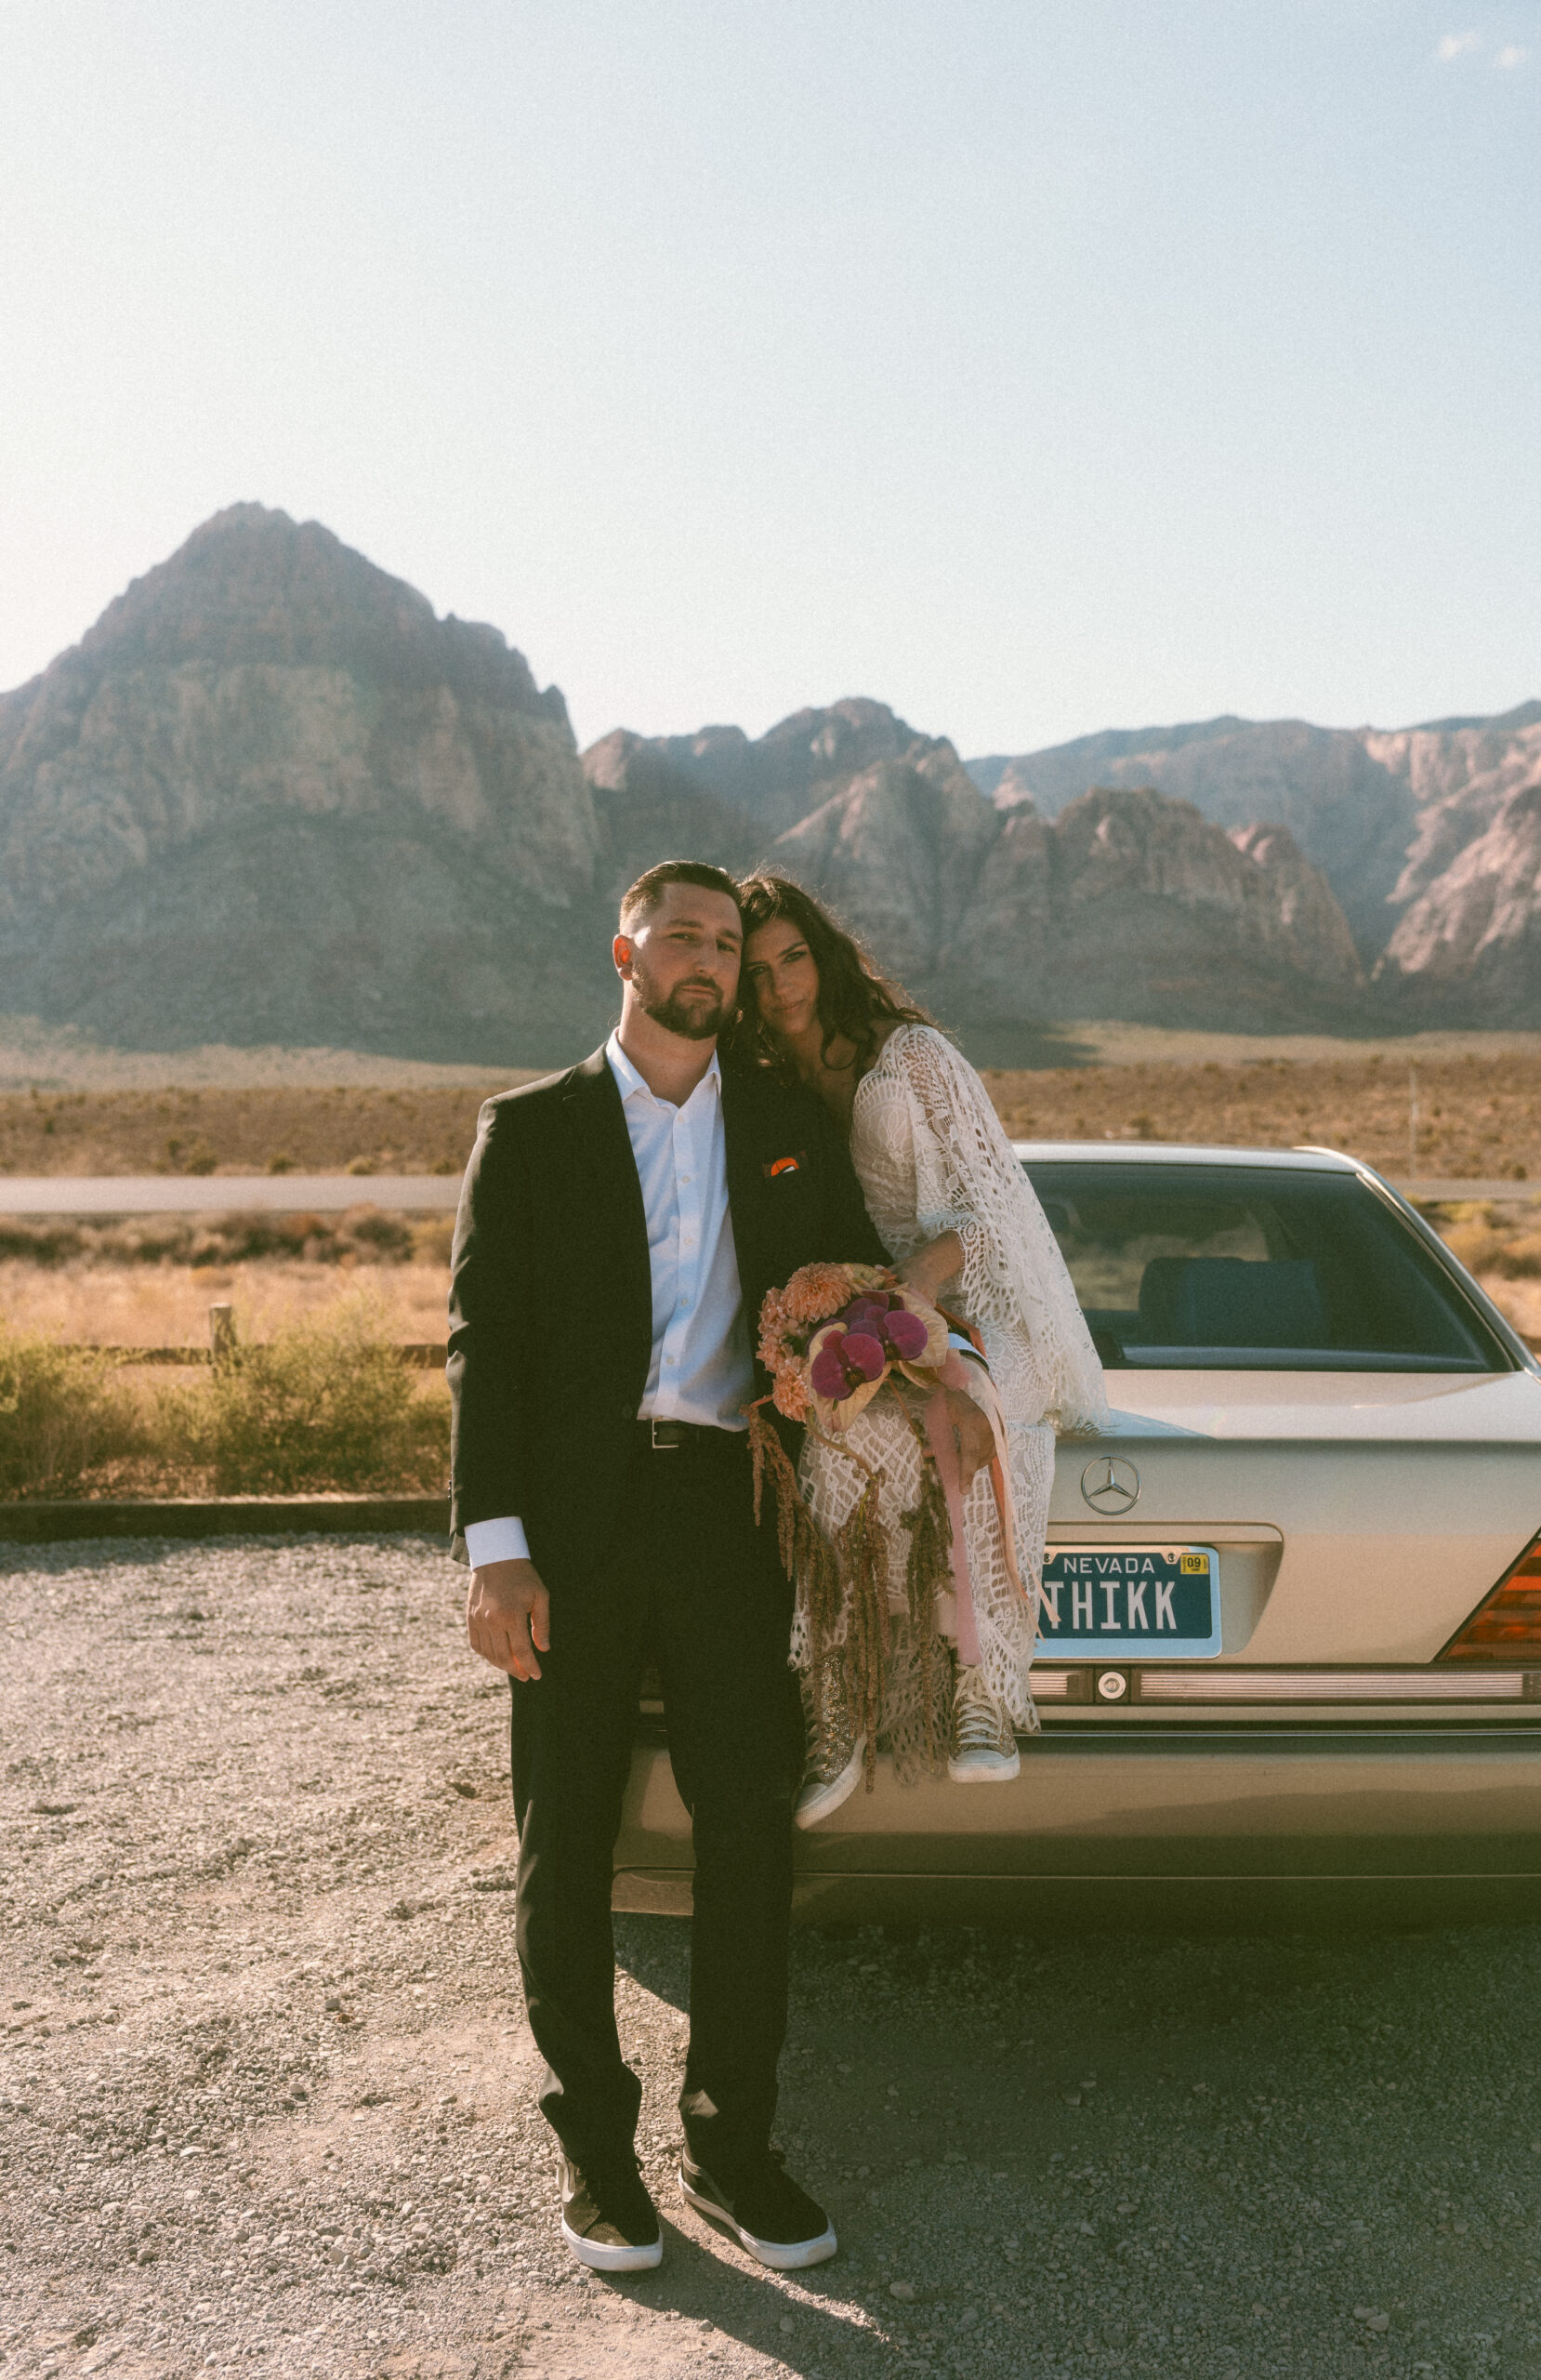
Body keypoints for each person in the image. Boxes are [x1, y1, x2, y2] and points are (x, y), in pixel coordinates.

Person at [447, 861, 889, 2278]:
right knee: (565, 1836)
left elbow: (849, 1285)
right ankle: (595, 2158)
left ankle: (730, 2149)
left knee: (747, 1832)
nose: (706, 959)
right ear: (624, 952)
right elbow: (482, 1344)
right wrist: (495, 1551)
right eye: (680, 936)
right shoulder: (530, 1128)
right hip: (568, 1530)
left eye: (725, 944)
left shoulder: (781, 1123)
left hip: (727, 1512)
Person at [735, 874, 1110, 1819]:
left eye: (794, 957)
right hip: (875, 1307)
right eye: (758, 970)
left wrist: (920, 1286)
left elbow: (992, 1210)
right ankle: (838, 1699)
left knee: (977, 1412)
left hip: (979, 1296)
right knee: (838, 1437)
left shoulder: (913, 1054)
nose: (781, 985)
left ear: (823, 954)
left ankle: (981, 1690)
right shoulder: (761, 1082)